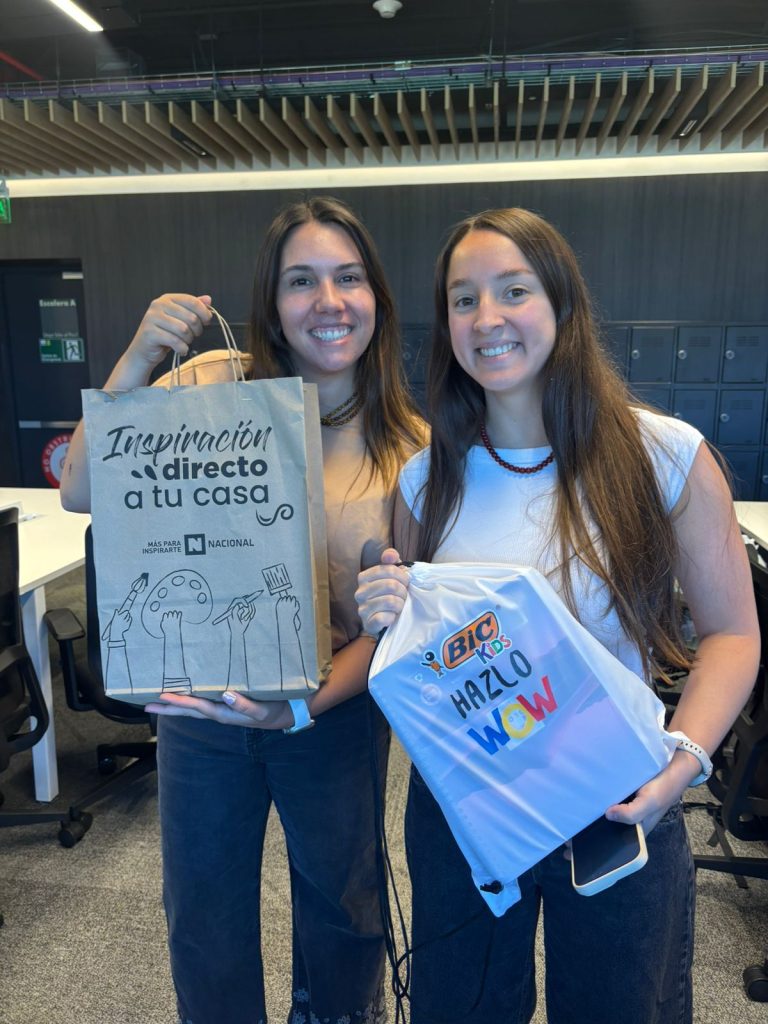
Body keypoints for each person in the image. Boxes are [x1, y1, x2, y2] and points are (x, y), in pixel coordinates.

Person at [355, 207, 759, 1024]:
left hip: (618, 793)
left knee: (619, 1008)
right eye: (463, 299)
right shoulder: (426, 479)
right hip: (468, 804)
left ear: (562, 303)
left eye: (514, 290)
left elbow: (732, 635)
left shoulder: (663, 455)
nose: (486, 318)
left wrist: (680, 764)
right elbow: (421, 659)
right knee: (463, 1009)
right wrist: (385, 617)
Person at [61, 196, 425, 1024]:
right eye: (301, 281)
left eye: (348, 278)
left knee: (344, 910)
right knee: (203, 914)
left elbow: (396, 627)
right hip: (200, 705)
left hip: (330, 712)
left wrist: (297, 706)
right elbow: (80, 489)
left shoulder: (409, 446)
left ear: (376, 296)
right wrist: (137, 358)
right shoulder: (213, 384)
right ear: (272, 298)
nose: (328, 302)